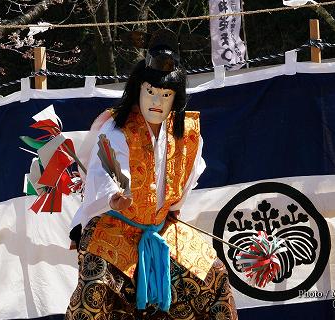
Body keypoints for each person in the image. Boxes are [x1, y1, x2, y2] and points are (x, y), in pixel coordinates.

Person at [66, 29, 238, 320]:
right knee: (94, 290)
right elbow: (104, 170)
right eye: (151, 92)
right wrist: (115, 197)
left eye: (165, 95)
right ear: (138, 90)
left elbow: (187, 178)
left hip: (160, 229)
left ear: (176, 99)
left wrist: (172, 209)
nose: (157, 101)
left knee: (212, 274)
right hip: (116, 226)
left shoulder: (187, 135)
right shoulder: (117, 129)